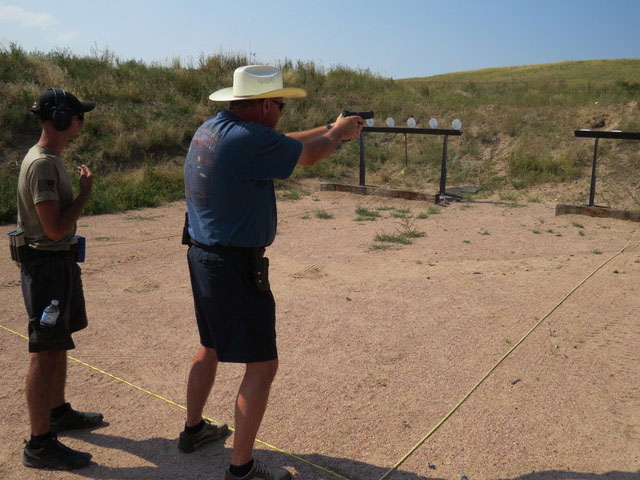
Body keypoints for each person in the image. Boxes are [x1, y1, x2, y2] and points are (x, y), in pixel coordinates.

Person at [181, 65, 362, 480]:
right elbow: (309, 155)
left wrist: (329, 127)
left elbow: (284, 141)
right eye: (280, 105)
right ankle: (241, 469)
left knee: (210, 345)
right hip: (234, 264)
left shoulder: (214, 128)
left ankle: (193, 430)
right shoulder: (248, 139)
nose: (282, 113)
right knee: (262, 365)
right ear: (263, 105)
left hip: (205, 255)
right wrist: (337, 135)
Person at [17, 88, 104, 470]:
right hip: (47, 265)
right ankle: (39, 443)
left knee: (57, 344)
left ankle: (57, 412)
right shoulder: (42, 164)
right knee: (44, 351)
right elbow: (53, 228)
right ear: (61, 118)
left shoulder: (51, 159)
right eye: (78, 115)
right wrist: (85, 195)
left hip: (58, 264)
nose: (81, 121)